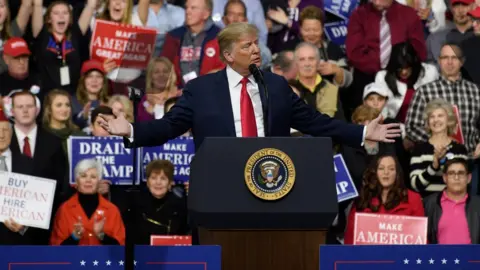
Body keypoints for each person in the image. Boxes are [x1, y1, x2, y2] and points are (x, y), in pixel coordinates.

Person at [98, 23, 401, 151]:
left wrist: (361, 132)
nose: (256, 50)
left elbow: (314, 122)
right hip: (222, 184)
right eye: (247, 46)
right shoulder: (201, 91)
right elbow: (170, 126)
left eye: (256, 43)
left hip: (272, 180)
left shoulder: (276, 85)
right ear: (228, 55)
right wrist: (131, 130)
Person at [344, 154, 425, 244]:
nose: (386, 172)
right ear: (374, 172)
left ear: (397, 173)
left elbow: (420, 239)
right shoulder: (363, 198)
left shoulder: (413, 198)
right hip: (368, 256)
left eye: (391, 169)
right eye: (381, 168)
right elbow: (350, 239)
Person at [50, 158, 125, 245]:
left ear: (99, 182)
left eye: (93, 177)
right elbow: (56, 251)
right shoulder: (64, 210)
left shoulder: (112, 211)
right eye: (83, 176)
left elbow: (120, 251)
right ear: (76, 182)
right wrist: (74, 237)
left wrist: (102, 235)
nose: (88, 180)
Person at [129, 160, 189, 245]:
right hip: (141, 255)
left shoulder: (180, 207)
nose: (158, 183)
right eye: (153, 178)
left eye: (163, 178)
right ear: (147, 182)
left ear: (170, 183)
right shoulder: (135, 206)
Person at [424, 158, 480, 244]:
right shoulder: (429, 203)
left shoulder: (478, 204)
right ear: (444, 178)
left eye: (461, 173)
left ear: (469, 178)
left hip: (473, 257)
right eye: (451, 173)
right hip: (439, 257)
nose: (456, 177)